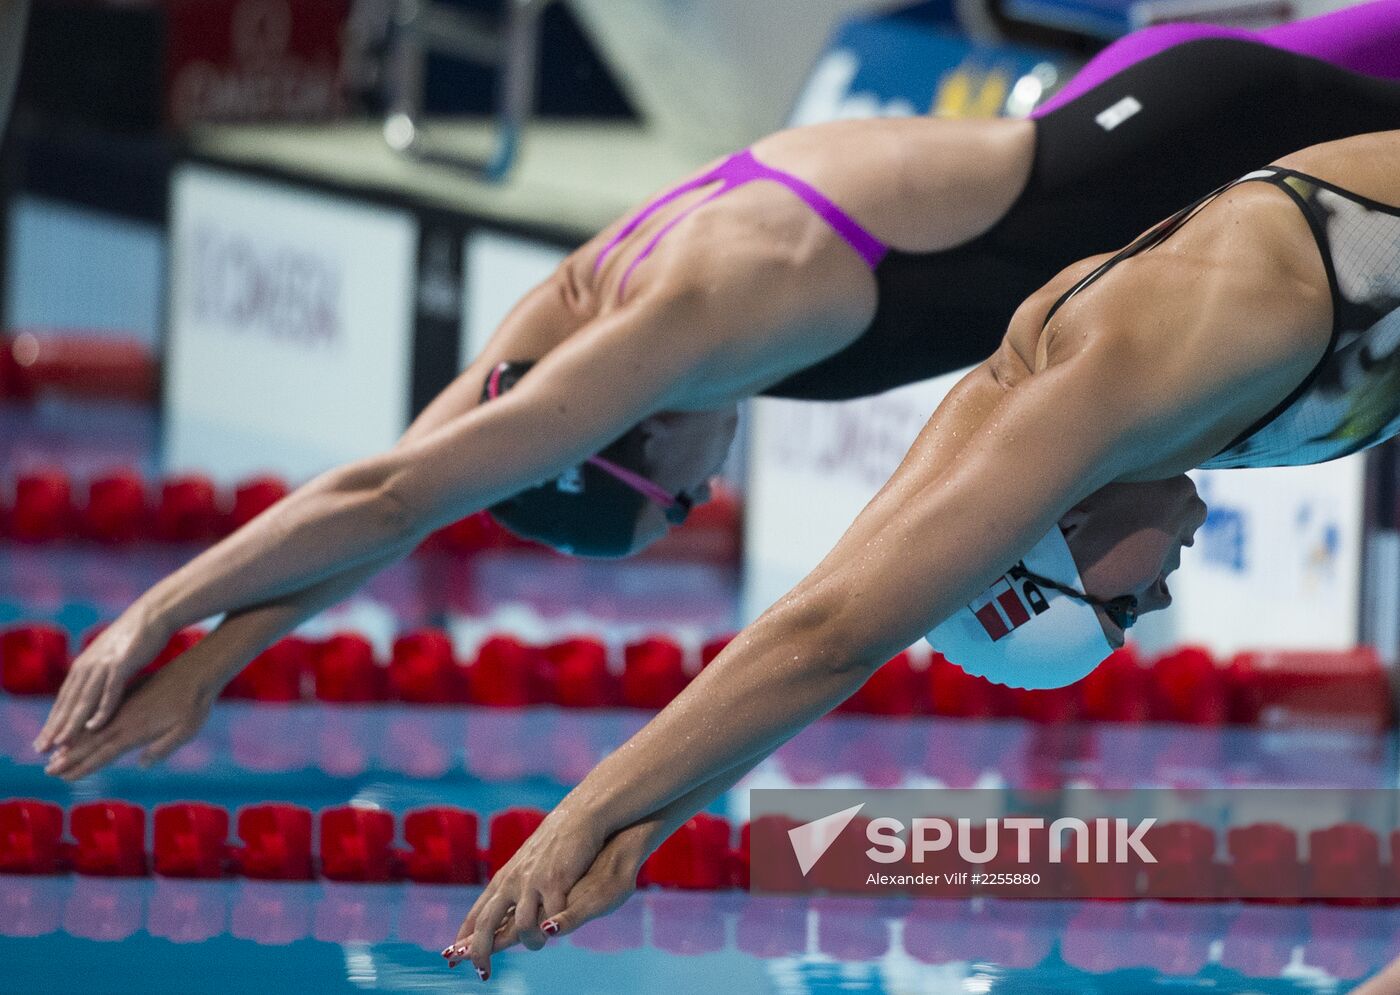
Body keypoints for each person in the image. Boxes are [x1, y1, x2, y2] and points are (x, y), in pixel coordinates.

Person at [431, 129, 1400, 977]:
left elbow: (832, 632)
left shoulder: (1120, 385)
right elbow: (837, 601)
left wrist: (582, 812)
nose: (1158, 595)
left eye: (1122, 608)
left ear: (1049, 550)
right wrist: (645, 827)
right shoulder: (1048, 381)